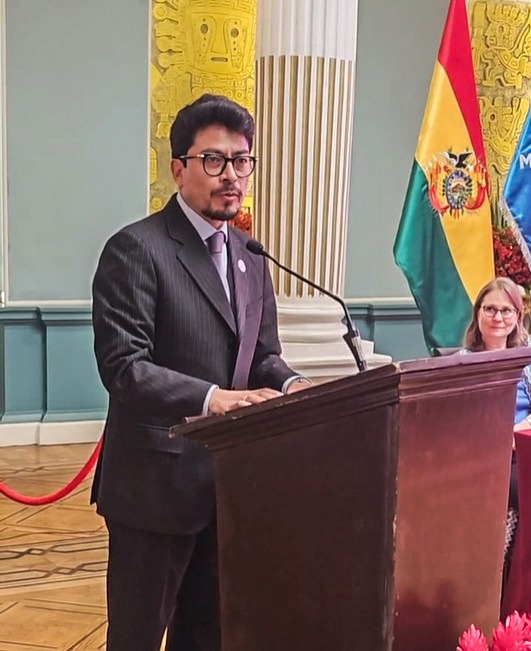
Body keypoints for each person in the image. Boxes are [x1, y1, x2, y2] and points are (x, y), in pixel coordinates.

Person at [90, 94, 310, 651]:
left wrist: (296, 386)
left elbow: (262, 355)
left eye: (242, 161)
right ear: (178, 168)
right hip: (154, 489)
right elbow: (124, 367)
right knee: (136, 639)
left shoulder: (251, 256)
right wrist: (214, 398)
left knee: (209, 635)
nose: (231, 175)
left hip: (229, 488)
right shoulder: (136, 249)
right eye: (214, 160)